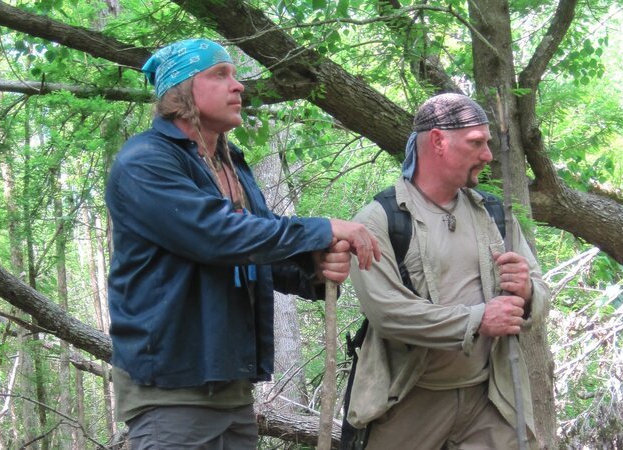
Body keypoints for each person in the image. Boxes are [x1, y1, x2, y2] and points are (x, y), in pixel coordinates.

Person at [104, 38, 380, 449]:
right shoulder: (145, 161)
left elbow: (258, 252)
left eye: (234, 75)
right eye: (220, 75)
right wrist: (322, 229)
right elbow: (219, 237)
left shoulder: (231, 162)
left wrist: (314, 271)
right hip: (173, 390)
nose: (238, 87)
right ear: (181, 91)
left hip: (231, 389)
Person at [345, 93, 549, 449]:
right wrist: (477, 320)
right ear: (438, 141)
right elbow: (388, 314)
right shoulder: (380, 220)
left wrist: (527, 292)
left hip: (491, 400)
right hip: (409, 400)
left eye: (488, 143)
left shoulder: (495, 215)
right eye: (476, 143)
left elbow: (541, 291)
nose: (487, 155)